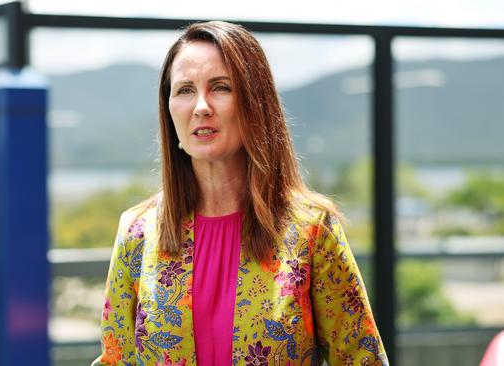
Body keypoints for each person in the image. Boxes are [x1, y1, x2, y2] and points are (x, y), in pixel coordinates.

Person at [93, 21, 389, 366]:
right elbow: (115, 360)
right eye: (185, 90)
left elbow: (361, 359)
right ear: (169, 109)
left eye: (220, 87)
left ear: (255, 103)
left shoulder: (311, 230)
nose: (201, 106)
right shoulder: (137, 232)